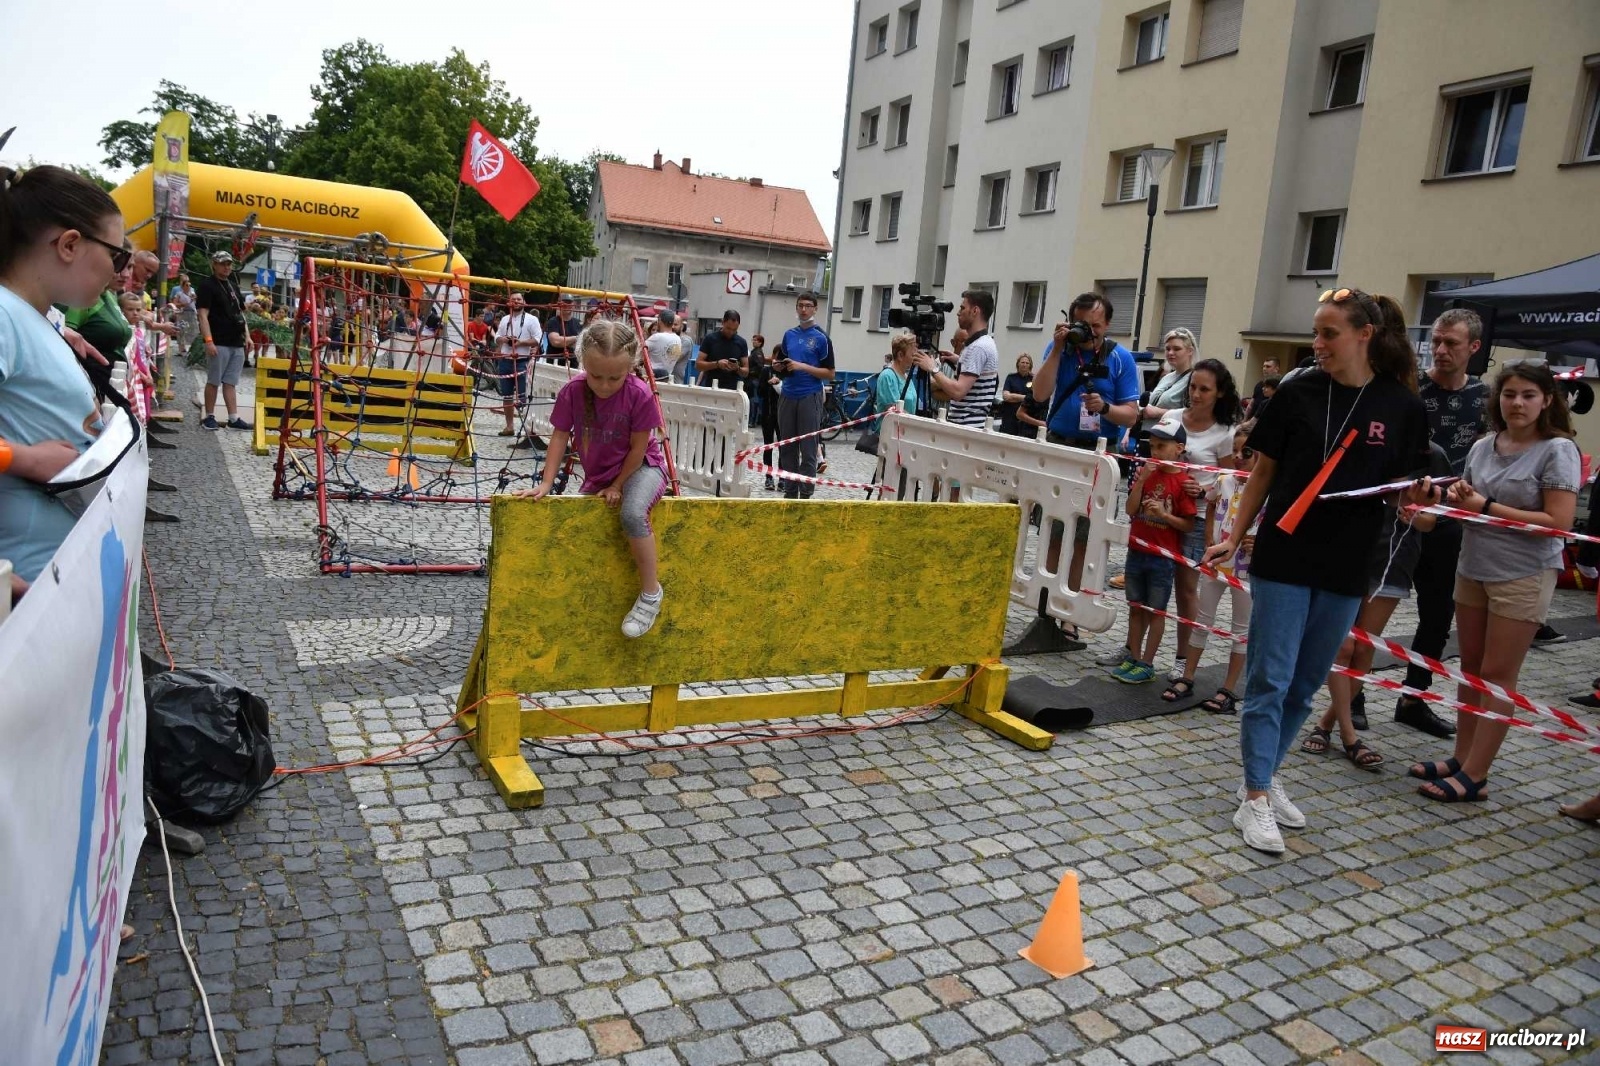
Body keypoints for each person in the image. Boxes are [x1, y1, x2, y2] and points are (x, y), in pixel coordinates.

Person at [1201, 287, 1436, 854]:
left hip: (1349, 565)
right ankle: (1255, 796)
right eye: (1316, 332)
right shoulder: (1297, 391)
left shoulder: (1402, 408)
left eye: (1329, 333)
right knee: (1269, 680)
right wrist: (1234, 537)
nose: (1318, 343)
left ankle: (1263, 775)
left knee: (1305, 685)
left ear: (1365, 335)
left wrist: (1422, 506)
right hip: (1284, 557)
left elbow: (1409, 503)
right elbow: (1262, 474)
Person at [1410, 362, 1581, 803]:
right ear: (1497, 400)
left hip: (1522, 573)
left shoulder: (1556, 449)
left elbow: (1557, 522)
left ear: (1546, 400)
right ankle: (1462, 758)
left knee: (1498, 676)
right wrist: (1430, 506)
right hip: (1473, 566)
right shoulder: (1485, 445)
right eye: (1509, 394)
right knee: (1470, 671)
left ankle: (1476, 776)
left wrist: (1487, 507)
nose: (1517, 403)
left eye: (1527, 394)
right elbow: (1464, 501)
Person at [0, 164, 125, 594]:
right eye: (117, 254)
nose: (120, 272)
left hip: (50, 588)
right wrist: (21, 459)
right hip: (25, 601)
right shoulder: (4, 316)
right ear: (70, 244)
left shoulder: (30, 318)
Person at [1302, 439, 1453, 769]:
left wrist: (1411, 512)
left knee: (1363, 649)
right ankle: (1349, 735)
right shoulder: (1365, 444)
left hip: (1393, 560)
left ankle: (1327, 724)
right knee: (1341, 646)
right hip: (1348, 552)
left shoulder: (1432, 455)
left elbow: (1432, 521)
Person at [516, 320, 669, 638]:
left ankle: (651, 593)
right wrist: (546, 483)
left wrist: (616, 486)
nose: (604, 385)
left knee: (631, 513)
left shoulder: (638, 394)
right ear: (582, 362)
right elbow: (559, 437)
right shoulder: (573, 392)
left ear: (632, 367)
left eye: (615, 377)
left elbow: (639, 451)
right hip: (602, 474)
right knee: (582, 525)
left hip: (643, 468)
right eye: (596, 376)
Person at [1393, 308, 1491, 738]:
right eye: (1435, 340)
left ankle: (1414, 698)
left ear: (1474, 347)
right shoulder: (1409, 390)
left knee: (1436, 616)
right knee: (1371, 609)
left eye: (1451, 343)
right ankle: (1352, 697)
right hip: (1401, 515)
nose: (1440, 350)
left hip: (1452, 523)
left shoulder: (1486, 400)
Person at [1031, 292, 1141, 601]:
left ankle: (1070, 607)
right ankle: (1046, 602)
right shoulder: (1060, 351)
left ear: (1107, 324)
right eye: (1082, 324)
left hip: (1098, 455)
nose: (1088, 332)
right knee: (1052, 530)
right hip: (1059, 448)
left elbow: (1131, 414)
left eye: (1095, 325)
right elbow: (1039, 394)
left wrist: (1105, 408)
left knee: (1085, 537)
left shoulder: (1120, 358)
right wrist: (1056, 349)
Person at [1159, 358, 1241, 693]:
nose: (1195, 394)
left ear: (1220, 393)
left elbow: (1230, 481)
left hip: (1196, 519)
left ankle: (1182, 659)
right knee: (1153, 584)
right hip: (1161, 511)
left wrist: (1204, 489)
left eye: (1204, 389)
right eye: (1193, 386)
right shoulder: (1171, 418)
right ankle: (1139, 653)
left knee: (1186, 590)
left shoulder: (1225, 433)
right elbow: (1155, 457)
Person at [1177, 422, 1259, 715]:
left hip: (1246, 569)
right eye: (1235, 450)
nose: (1238, 456)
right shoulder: (1224, 479)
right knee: (1202, 619)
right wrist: (1210, 534)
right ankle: (1187, 676)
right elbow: (1209, 503)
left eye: (1246, 452)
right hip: (1216, 563)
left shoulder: (1266, 488)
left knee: (1240, 629)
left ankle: (1229, 689)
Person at [1112, 416, 1197, 685]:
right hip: (1137, 550)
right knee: (1135, 607)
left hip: (1162, 556)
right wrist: (1141, 480)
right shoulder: (1146, 474)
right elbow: (1129, 509)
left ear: (1179, 449)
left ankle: (1148, 662)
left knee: (1156, 610)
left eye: (1162, 446)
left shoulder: (1183, 482)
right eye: (1153, 446)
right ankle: (1134, 657)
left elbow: (1187, 524)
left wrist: (1164, 514)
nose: (1155, 452)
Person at [773, 292, 836, 499]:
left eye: (808, 306)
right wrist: (778, 367)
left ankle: (806, 493)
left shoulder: (821, 338)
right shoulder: (789, 335)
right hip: (788, 394)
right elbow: (782, 362)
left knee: (808, 449)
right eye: (800, 305)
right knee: (787, 447)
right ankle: (790, 492)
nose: (803, 309)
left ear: (815, 309)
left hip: (810, 395)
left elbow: (829, 373)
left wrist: (802, 366)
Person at [917, 289, 999, 430]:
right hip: (970, 426)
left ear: (975, 311)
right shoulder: (982, 342)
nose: (958, 312)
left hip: (966, 428)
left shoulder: (978, 347)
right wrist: (958, 360)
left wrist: (933, 368)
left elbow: (958, 392)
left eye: (962, 308)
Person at [196, 250, 252, 430]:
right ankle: (210, 416)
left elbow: (240, 313)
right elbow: (202, 315)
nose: (227, 267)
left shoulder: (233, 286)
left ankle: (233, 417)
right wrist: (208, 340)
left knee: (231, 381)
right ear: (214, 264)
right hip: (219, 340)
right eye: (223, 263)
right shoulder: (207, 285)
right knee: (214, 380)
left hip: (236, 341)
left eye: (229, 264)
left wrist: (248, 336)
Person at [494, 292, 542, 439]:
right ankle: (509, 426)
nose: (516, 301)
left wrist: (521, 342)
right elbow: (496, 337)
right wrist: (503, 339)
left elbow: (537, 339)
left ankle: (526, 428)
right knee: (506, 395)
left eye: (518, 299)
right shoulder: (504, 319)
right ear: (509, 302)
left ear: (524, 302)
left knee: (523, 397)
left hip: (522, 362)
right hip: (505, 361)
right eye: (513, 299)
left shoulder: (531, 319)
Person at [1138, 328, 1196, 433]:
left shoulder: (1194, 379)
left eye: (1177, 349)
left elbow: (1194, 415)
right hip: (1149, 436)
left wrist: (1159, 412)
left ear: (1190, 351)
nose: (1170, 353)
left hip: (1171, 441)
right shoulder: (1166, 377)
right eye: (1167, 349)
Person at [747, 334, 780, 489]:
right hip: (768, 413)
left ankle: (783, 478)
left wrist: (781, 383)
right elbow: (760, 392)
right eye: (776, 357)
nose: (777, 361)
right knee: (768, 446)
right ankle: (769, 477)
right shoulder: (766, 372)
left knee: (784, 447)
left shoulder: (787, 374)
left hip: (783, 414)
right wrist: (768, 384)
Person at [875, 331, 920, 430]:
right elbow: (895, 411)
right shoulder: (888, 376)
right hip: (890, 436)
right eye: (912, 355)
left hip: (904, 434)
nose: (915, 357)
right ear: (900, 355)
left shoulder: (906, 376)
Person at [696, 310, 749, 390]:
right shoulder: (710, 339)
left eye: (734, 330)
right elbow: (698, 365)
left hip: (733, 389)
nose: (731, 332)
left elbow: (746, 371)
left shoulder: (741, 343)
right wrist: (717, 364)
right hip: (712, 387)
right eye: (728, 328)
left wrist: (737, 368)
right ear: (722, 322)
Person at [998, 355, 1035, 437]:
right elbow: (1006, 397)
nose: (1024, 364)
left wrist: (1013, 397)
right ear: (1018, 364)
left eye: (1027, 363)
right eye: (1022, 362)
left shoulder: (1034, 379)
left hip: (1026, 419)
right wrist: (1026, 398)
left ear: (1030, 365)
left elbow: (1035, 399)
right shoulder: (1011, 377)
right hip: (1009, 418)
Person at [545, 294, 582, 367]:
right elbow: (556, 341)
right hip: (554, 364)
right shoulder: (553, 321)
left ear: (574, 305)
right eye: (563, 302)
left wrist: (565, 341)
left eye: (569, 303)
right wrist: (576, 338)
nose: (566, 305)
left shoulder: (579, 323)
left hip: (573, 365)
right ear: (559, 305)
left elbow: (581, 344)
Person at [644, 309, 680, 382]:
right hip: (667, 377)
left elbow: (639, 350)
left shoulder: (657, 337)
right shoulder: (678, 339)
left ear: (660, 321)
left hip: (653, 377)